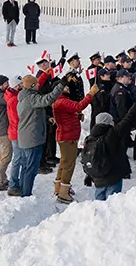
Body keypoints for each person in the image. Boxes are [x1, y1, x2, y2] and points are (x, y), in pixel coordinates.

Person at [10, 73, 66, 197]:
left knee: (26, 167)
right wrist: (61, 84)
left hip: (26, 137)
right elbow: (48, 99)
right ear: (32, 86)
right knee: (31, 169)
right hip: (32, 139)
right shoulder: (31, 98)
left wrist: (46, 118)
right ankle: (26, 194)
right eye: (36, 84)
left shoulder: (23, 97)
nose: (39, 85)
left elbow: (31, 114)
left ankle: (23, 191)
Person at [51, 75, 98, 203]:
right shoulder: (62, 101)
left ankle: (59, 187)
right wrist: (90, 94)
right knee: (69, 165)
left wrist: (75, 116)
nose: (67, 88)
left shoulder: (62, 100)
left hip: (66, 136)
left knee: (64, 163)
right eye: (65, 87)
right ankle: (64, 192)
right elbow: (78, 106)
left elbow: (68, 113)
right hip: (68, 137)